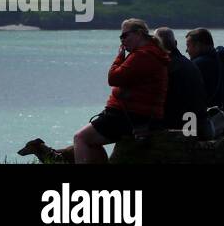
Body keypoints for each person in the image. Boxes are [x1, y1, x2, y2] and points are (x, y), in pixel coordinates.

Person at [72, 18, 170, 164]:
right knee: (92, 141)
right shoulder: (151, 53)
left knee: (80, 138)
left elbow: (113, 78)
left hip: (130, 116)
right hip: (137, 114)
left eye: (124, 36)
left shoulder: (142, 55)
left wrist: (119, 57)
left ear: (138, 34)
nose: (122, 40)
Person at [154, 27, 208, 137]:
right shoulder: (190, 64)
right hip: (195, 124)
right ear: (175, 43)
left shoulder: (165, 66)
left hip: (178, 126)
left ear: (156, 45)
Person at [186, 27, 224, 137]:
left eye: (188, 46)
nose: (187, 51)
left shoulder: (197, 65)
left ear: (199, 45)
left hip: (212, 125)